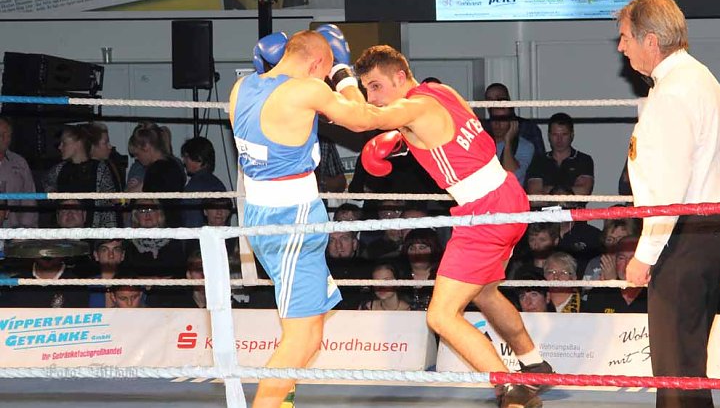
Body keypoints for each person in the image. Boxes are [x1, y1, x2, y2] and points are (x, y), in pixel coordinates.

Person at [354, 45, 552, 408]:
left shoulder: (415, 105)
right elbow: (434, 131)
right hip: (507, 194)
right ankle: (533, 362)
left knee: (441, 315)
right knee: (485, 293)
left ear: (400, 77)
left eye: (376, 86)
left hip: (485, 211)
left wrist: (339, 83)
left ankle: (512, 389)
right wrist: (400, 140)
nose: (372, 97)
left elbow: (364, 119)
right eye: (366, 89)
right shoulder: (440, 92)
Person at [228, 26, 385, 408]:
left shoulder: (241, 88)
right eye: (325, 68)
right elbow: (363, 119)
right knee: (302, 339)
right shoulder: (308, 89)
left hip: (264, 215)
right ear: (317, 62)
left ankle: (283, 402)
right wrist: (343, 71)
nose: (325, 78)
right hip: (292, 220)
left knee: (307, 327)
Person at [617, 0, 720, 408]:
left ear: (651, 40)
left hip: (686, 232)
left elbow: (667, 189)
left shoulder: (671, 93)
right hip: (712, 225)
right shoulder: (699, 76)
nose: (621, 47)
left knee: (674, 361)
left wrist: (644, 255)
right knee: (687, 356)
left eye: (625, 37)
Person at [44, 125, 119, 228]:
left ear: (78, 144)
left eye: (64, 143)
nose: (60, 147)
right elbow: (47, 186)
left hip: (93, 235)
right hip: (64, 234)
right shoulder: (59, 169)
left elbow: (108, 208)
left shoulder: (99, 169)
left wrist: (109, 236)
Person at [525, 112, 594, 197]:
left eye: (564, 134)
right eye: (555, 135)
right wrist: (568, 191)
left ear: (572, 135)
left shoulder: (583, 160)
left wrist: (547, 190)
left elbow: (583, 193)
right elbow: (534, 197)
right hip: (544, 210)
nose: (559, 140)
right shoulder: (538, 161)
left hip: (573, 210)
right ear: (549, 136)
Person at [582, 236, 647, 314]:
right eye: (621, 258)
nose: (627, 264)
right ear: (614, 261)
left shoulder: (655, 294)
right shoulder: (598, 294)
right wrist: (612, 285)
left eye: (633, 259)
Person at [484, 83, 546, 156]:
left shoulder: (528, 127)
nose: (494, 103)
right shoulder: (482, 128)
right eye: (489, 100)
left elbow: (540, 159)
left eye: (499, 99)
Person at [0, 117, 39, 228]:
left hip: (13, 235)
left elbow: (29, 201)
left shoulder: (19, 163)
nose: (3, 138)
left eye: (6, 134)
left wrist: (26, 232)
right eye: (0, 133)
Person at [180, 137, 227, 228]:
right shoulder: (218, 184)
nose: (184, 161)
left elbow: (191, 221)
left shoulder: (195, 186)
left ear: (198, 159)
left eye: (186, 157)